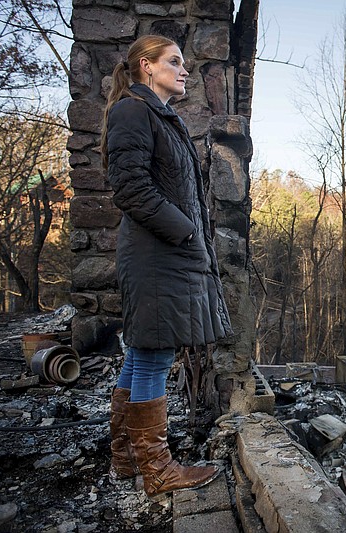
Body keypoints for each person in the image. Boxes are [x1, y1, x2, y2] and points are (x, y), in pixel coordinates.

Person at [100, 35, 233, 497]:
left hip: (163, 253)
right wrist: (186, 231)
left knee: (140, 353)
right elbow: (130, 188)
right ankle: (157, 471)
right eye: (174, 62)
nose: (184, 71)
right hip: (156, 255)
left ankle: (126, 458)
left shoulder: (157, 114)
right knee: (154, 355)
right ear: (146, 66)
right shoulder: (131, 111)